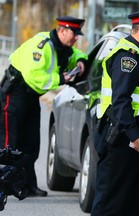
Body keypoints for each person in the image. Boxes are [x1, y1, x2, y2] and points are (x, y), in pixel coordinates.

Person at [92, 8, 139, 216]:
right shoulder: (128, 57)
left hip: (138, 138)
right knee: (111, 203)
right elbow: (121, 102)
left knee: (138, 203)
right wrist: (135, 137)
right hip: (122, 139)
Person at [0, 16, 88, 197]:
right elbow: (34, 76)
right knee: (9, 142)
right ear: (62, 30)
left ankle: (27, 185)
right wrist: (61, 79)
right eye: (73, 34)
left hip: (32, 97)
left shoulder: (63, 48)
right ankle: (4, 185)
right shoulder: (42, 45)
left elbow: (77, 55)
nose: (76, 38)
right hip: (15, 94)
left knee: (31, 143)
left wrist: (81, 62)